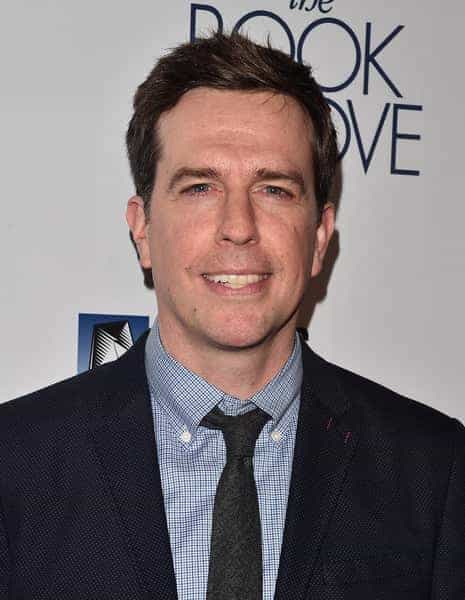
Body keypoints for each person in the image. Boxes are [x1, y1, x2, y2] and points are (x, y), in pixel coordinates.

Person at [1, 32, 464, 600]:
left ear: (320, 237)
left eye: (274, 190)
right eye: (200, 187)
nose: (239, 227)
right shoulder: (15, 462)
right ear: (142, 230)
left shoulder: (431, 469)